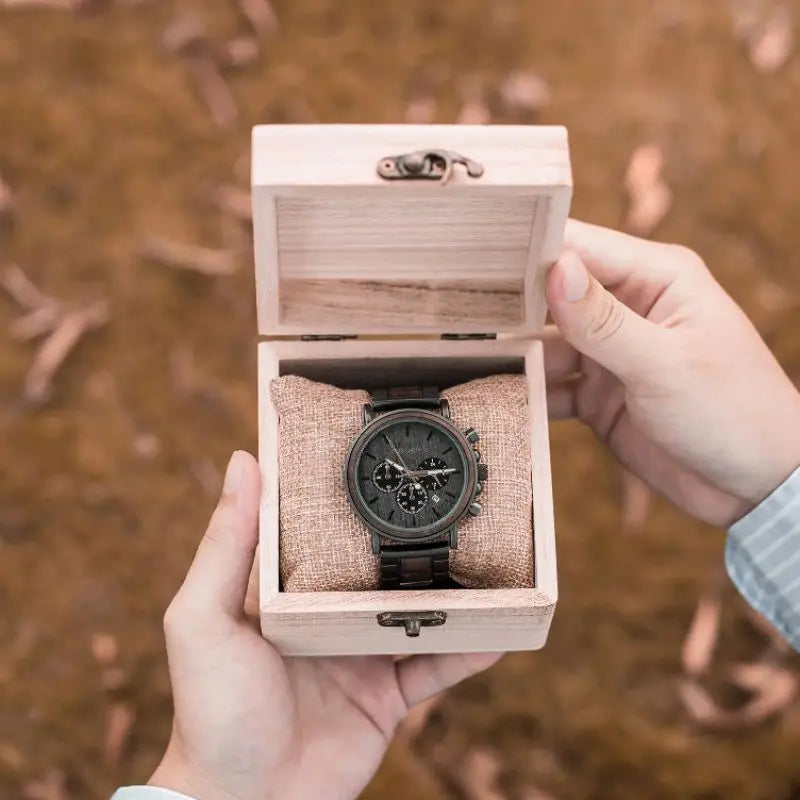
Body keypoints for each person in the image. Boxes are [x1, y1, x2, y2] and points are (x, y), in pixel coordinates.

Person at [112, 220, 800, 800]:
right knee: (389, 490)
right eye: (408, 462)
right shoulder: (391, 453)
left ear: (468, 454)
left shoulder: (463, 452)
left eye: (438, 463)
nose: (418, 468)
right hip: (383, 503)